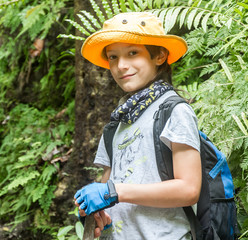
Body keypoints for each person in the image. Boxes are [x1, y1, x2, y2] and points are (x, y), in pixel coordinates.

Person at [74, 12, 201, 239]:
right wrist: (96, 212)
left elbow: (189, 190)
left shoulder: (174, 111)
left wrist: (113, 192)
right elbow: (110, 192)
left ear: (160, 56)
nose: (121, 65)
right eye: (113, 57)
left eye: (133, 53)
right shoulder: (116, 124)